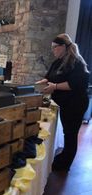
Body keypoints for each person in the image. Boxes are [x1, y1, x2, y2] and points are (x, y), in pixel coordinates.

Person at [36, 33, 89, 172]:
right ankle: (64, 157)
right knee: (67, 132)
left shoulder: (76, 61)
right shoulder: (58, 61)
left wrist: (55, 87)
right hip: (65, 102)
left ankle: (65, 164)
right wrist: (40, 83)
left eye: (55, 47)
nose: (53, 50)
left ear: (63, 47)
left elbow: (75, 83)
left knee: (70, 133)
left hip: (75, 103)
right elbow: (49, 77)